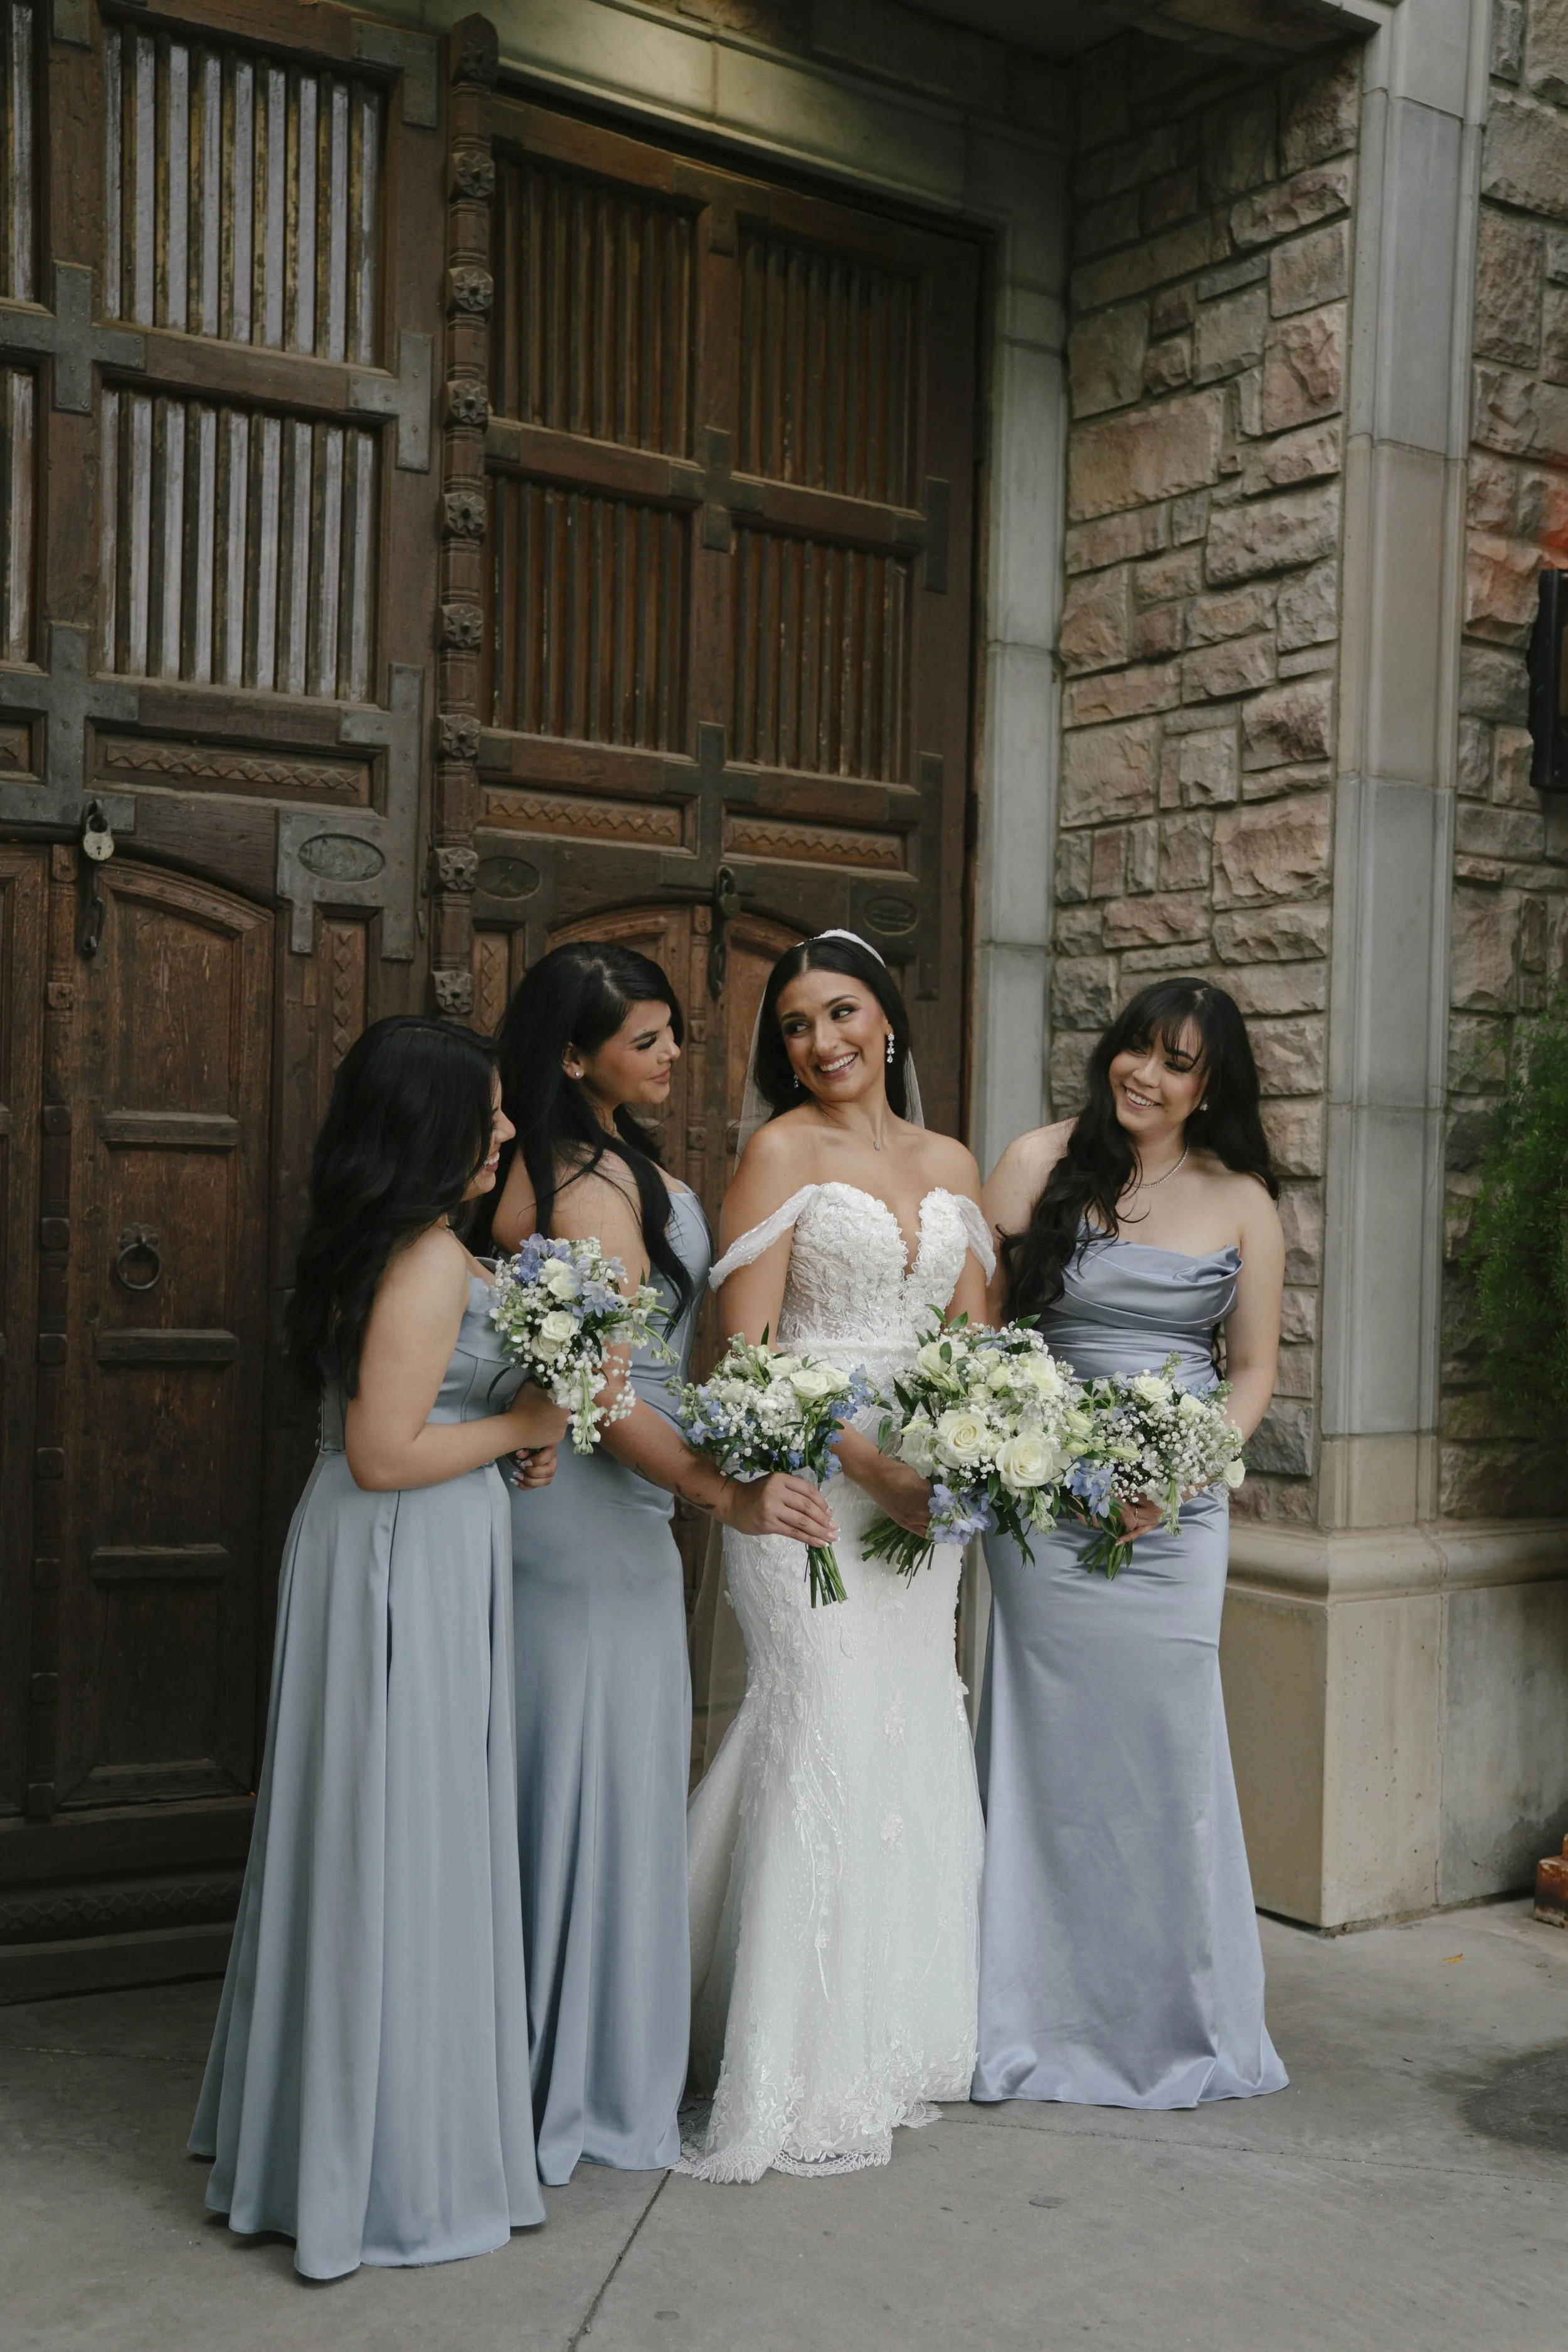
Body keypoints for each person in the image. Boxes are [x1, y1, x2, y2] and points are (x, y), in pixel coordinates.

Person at [189, 1016, 570, 2280]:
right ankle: (391, 2166)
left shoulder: (419, 1247)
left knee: (391, 1835)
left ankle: (352, 2133)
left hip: (406, 1548)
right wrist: (516, 1414)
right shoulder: (416, 1259)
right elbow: (386, 1450)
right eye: (490, 1114)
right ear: (428, 1131)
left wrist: (524, 1432)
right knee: (397, 1840)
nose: (509, 1132)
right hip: (397, 1550)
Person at [482, 943, 834, 2184]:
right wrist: (711, 1490)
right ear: (574, 1054)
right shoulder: (579, 1187)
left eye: (674, 1031)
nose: (674, 1053)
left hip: (602, 1513)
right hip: (585, 1516)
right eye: (647, 1038)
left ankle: (560, 2067)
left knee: (595, 1780)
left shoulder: (595, 1164)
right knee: (585, 1784)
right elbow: (593, 1383)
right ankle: (570, 2089)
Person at [681, 930, 992, 2183]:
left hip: (923, 1503)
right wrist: (861, 1459)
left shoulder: (951, 1160)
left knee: (909, 1726)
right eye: (798, 1024)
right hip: (809, 1495)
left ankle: (896, 2034)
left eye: (841, 1012)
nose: (821, 1042)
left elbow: (977, 1340)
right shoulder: (777, 1154)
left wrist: (965, 1464)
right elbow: (743, 1356)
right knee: (821, 1722)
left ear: (888, 1023)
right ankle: (787, 2062)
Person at [973, 975, 1288, 2109]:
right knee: (1049, 1749)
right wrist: (1046, 1450)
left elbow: (1250, 1371)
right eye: (1135, 1049)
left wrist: (1182, 1470)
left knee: (1165, 1751)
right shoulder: (1034, 1161)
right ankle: (1026, 2013)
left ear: (1211, 1089)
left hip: (1175, 1518)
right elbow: (983, 1337)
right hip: (1042, 1504)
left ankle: (1174, 2017)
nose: (1144, 1075)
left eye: (1176, 1063)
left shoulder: (1243, 1199)